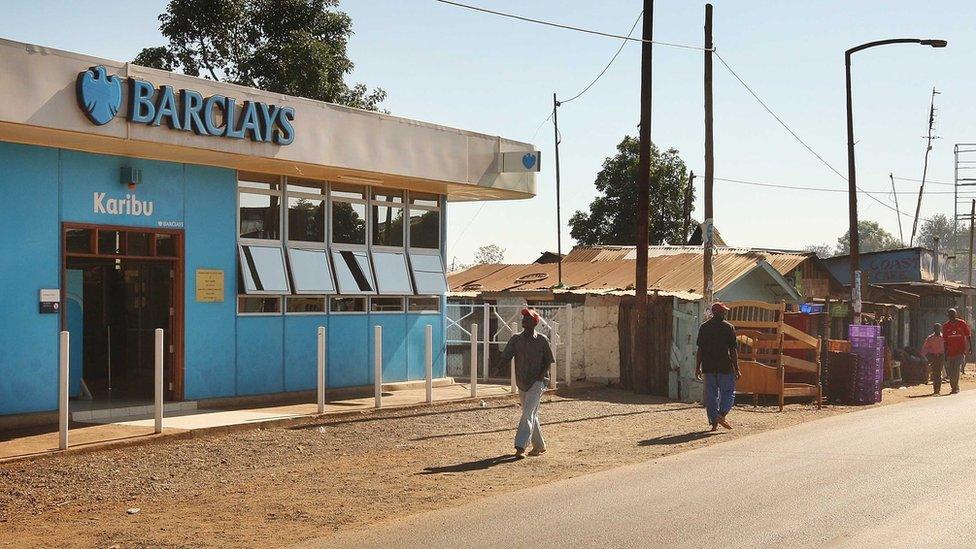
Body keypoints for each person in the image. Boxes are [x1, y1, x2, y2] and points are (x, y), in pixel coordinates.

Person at [499, 307, 555, 457]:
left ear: (535, 323)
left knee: (528, 413)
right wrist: (498, 369)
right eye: (524, 318)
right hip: (522, 381)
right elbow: (506, 356)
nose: (525, 320)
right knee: (530, 413)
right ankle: (539, 446)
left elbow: (549, 361)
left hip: (538, 382)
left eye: (528, 319)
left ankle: (520, 446)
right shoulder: (516, 339)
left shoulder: (542, 340)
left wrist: (540, 378)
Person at [695, 302, 740, 431]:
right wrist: (737, 369)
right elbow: (733, 350)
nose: (725, 313)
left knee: (711, 395)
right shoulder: (728, 327)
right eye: (724, 311)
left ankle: (714, 422)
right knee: (729, 393)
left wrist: (697, 367)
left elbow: (700, 350)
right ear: (720, 313)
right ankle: (722, 414)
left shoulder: (704, 327)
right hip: (724, 366)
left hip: (708, 366)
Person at [942, 308, 971, 395]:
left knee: (956, 369)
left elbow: (968, 335)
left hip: (960, 351)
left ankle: (955, 387)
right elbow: (945, 341)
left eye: (953, 314)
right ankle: (953, 386)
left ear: (956, 315)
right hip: (950, 352)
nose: (951, 316)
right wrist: (945, 352)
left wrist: (971, 347)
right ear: (948, 316)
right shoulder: (945, 326)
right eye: (950, 315)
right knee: (951, 371)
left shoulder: (962, 323)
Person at [920, 323, 945, 395]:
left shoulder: (943, 337)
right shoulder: (930, 338)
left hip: (941, 356)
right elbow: (925, 348)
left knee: (938, 372)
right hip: (933, 356)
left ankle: (938, 389)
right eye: (935, 328)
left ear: (940, 329)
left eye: (938, 328)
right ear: (934, 329)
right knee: (934, 372)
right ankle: (935, 389)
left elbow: (946, 347)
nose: (937, 330)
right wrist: (924, 357)